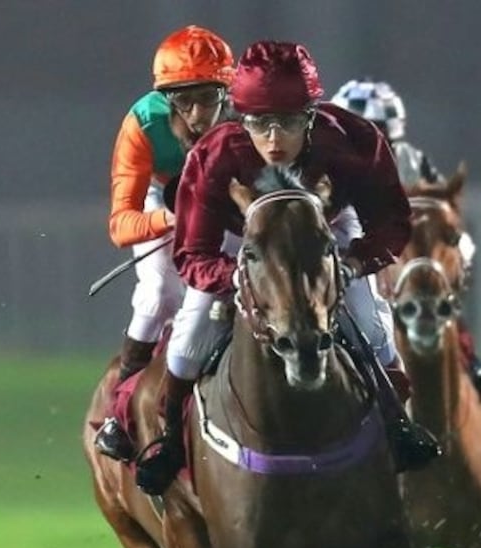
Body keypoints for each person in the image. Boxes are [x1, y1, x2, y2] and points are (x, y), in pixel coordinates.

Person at [135, 41, 440, 495]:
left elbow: (392, 221)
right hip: (242, 237)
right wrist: (236, 277)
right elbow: (192, 252)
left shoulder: (354, 142)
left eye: (289, 123)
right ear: (241, 119)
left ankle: (397, 427)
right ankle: (169, 442)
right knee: (188, 339)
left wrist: (355, 263)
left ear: (312, 116)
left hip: (326, 227)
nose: (274, 140)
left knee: (373, 326)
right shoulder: (215, 155)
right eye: (260, 124)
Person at [93, 25, 236, 460]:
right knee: (159, 292)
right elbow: (121, 224)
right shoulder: (143, 123)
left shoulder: (247, 116)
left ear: (227, 94)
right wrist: (173, 217)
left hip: (231, 197)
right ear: (165, 98)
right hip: (167, 199)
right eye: (184, 98)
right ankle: (120, 413)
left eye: (208, 97)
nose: (197, 114)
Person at [331, 78, 481, 406]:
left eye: (380, 131)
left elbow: (443, 217)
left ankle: (470, 364)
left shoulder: (412, 161)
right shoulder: (322, 161)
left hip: (393, 255)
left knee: (436, 291)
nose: (373, 140)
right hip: (339, 258)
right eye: (365, 130)